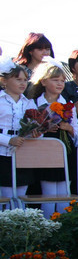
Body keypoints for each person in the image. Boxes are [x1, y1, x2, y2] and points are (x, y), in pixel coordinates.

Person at [30, 60, 78, 217]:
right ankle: (47, 226)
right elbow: (28, 129)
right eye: (55, 80)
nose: (60, 84)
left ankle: (62, 226)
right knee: (48, 194)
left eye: (62, 81)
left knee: (64, 193)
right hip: (45, 153)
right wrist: (42, 128)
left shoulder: (68, 105)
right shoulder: (33, 103)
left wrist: (69, 129)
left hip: (65, 151)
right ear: (44, 81)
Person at [0, 59, 37, 200]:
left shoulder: (28, 103)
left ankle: (21, 219)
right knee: (6, 194)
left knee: (22, 194)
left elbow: (33, 126)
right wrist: (8, 140)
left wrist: (36, 133)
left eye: (25, 80)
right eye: (18, 79)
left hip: (23, 152)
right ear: (4, 81)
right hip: (3, 153)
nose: (23, 83)